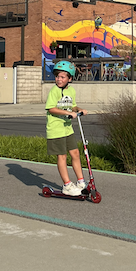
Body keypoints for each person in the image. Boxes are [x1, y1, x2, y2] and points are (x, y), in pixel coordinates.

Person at [46, 60, 88, 196]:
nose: (59, 79)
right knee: (62, 156)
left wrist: (79, 109)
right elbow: (51, 108)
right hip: (56, 129)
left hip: (67, 128)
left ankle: (80, 181)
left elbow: (73, 105)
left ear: (70, 78)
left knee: (75, 153)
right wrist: (68, 113)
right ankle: (67, 185)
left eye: (62, 77)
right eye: (57, 76)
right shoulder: (54, 91)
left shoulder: (71, 90)